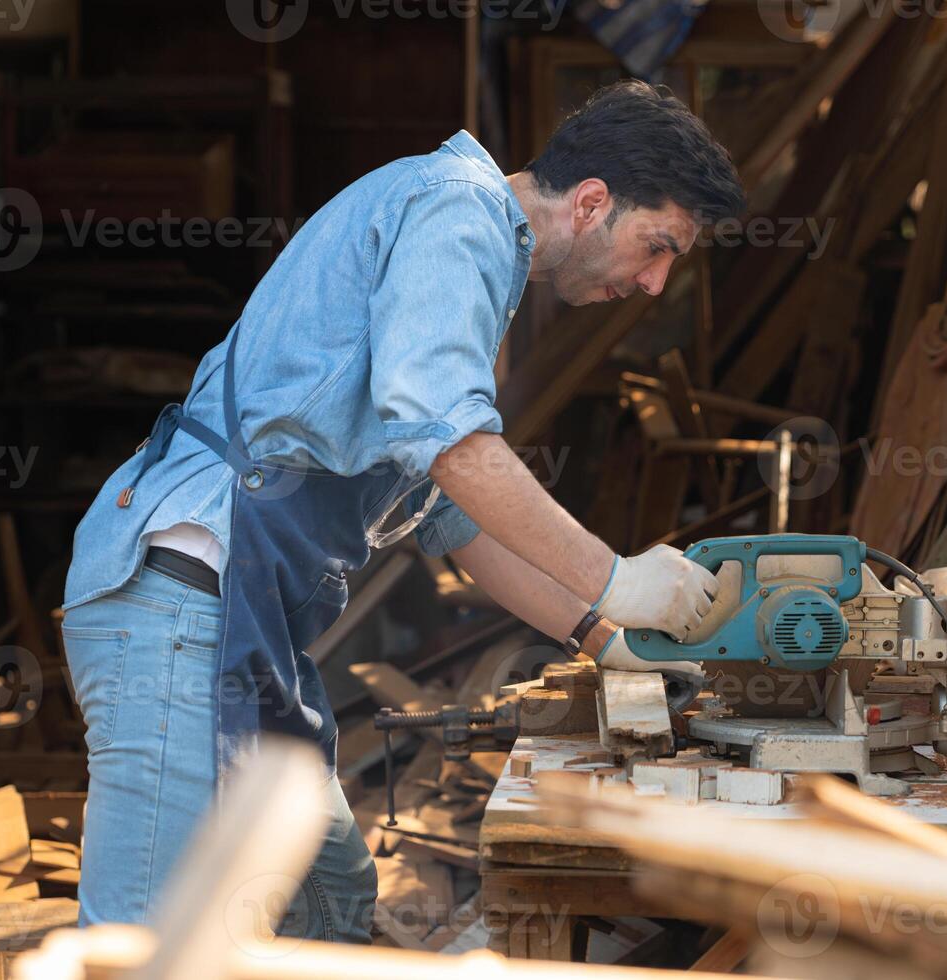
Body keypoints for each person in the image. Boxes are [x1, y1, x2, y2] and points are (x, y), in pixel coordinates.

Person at [59, 80, 744, 941]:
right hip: (177, 598)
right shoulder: (458, 216)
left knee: (329, 902)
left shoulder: (473, 253)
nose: (654, 283)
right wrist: (615, 577)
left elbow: (450, 518)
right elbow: (454, 447)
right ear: (593, 203)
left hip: (240, 619)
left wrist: (610, 641)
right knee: (149, 945)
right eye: (657, 247)